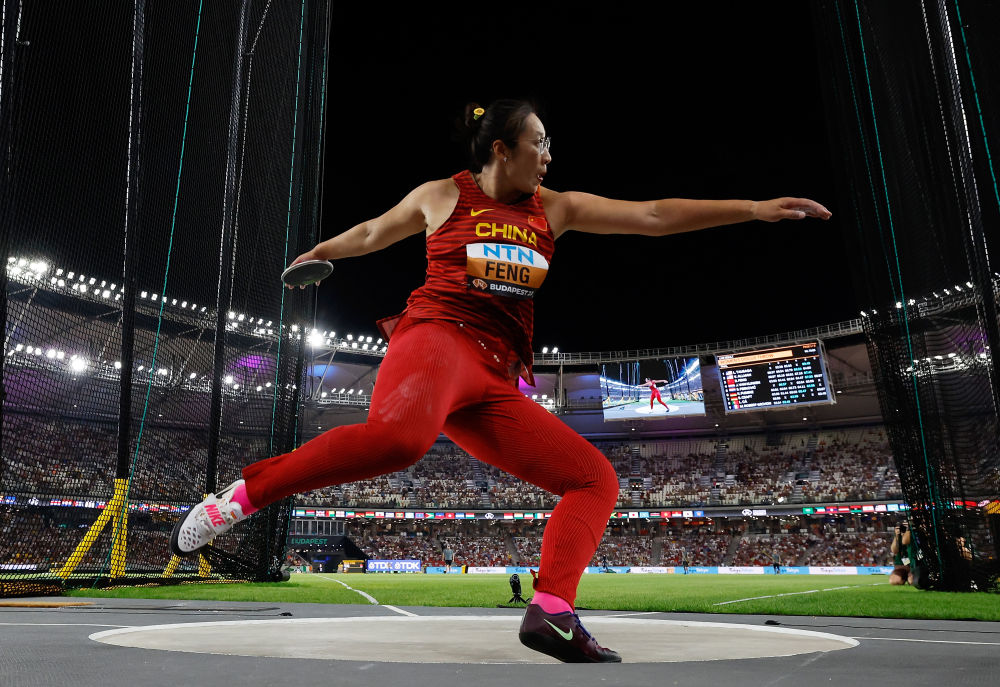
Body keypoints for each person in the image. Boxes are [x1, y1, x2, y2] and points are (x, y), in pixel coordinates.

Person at [169, 98, 831, 663]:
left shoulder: (557, 208)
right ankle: (242, 495)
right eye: (539, 143)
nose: (549, 155)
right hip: (434, 339)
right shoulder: (444, 194)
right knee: (399, 441)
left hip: (492, 375)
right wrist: (324, 253)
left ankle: (552, 611)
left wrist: (752, 207)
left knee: (594, 477)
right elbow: (376, 229)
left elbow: (653, 215)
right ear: (502, 149)